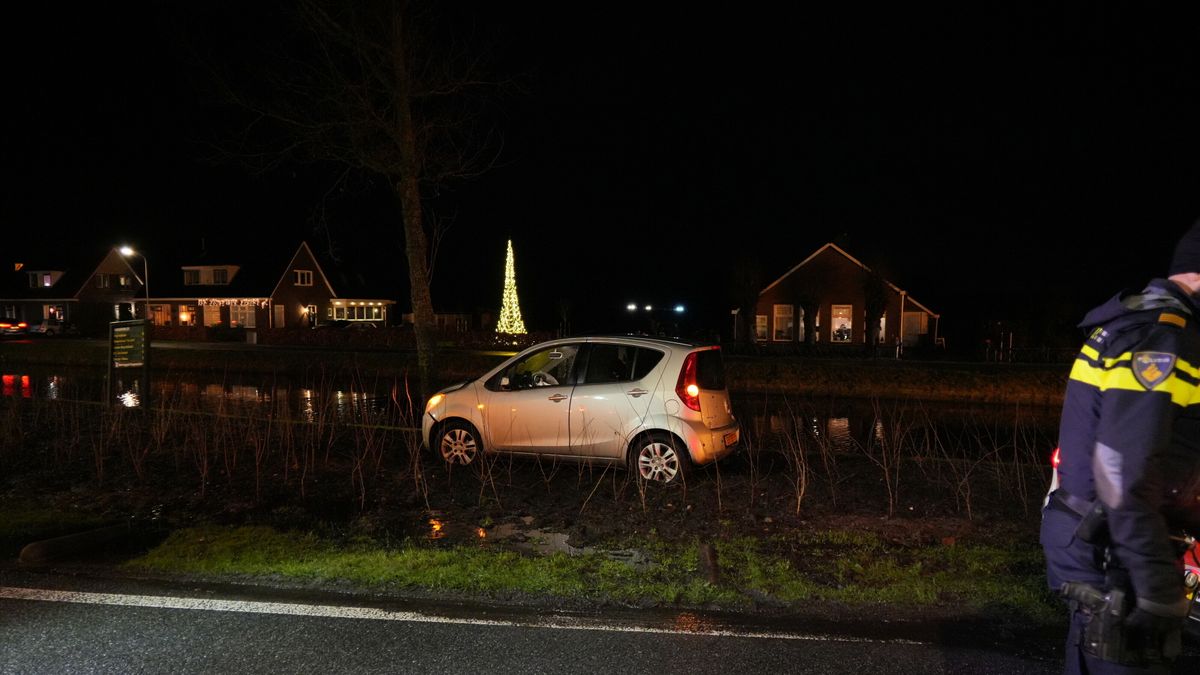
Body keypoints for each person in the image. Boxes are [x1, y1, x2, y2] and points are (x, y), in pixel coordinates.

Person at [1041, 219, 1200, 674]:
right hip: (1113, 549)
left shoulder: (1140, 325)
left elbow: (1167, 454)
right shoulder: (1164, 337)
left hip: (1104, 538)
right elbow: (1121, 474)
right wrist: (1156, 582)